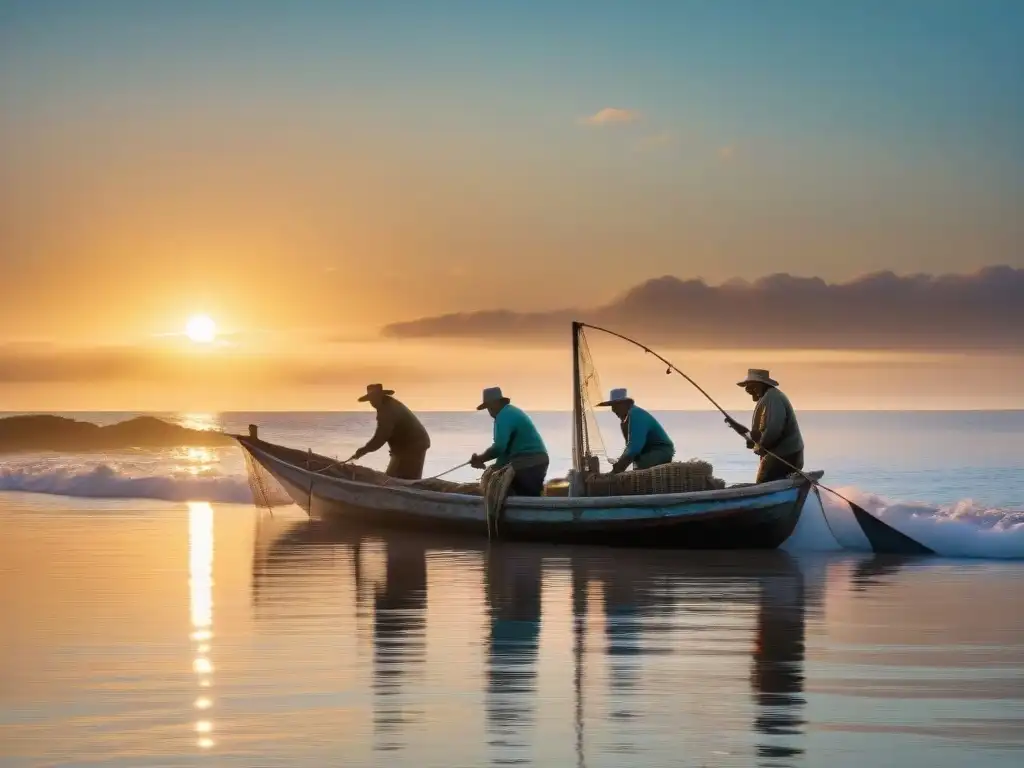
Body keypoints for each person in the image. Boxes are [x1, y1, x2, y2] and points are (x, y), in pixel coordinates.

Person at [725, 369, 805, 483]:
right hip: (785, 454)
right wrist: (734, 425)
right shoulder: (767, 398)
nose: (749, 392)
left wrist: (761, 446)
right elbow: (754, 436)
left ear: (759, 385)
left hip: (785, 455)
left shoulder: (773, 397)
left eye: (751, 388)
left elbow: (773, 430)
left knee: (762, 482)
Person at [469, 387, 549, 496]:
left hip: (528, 462)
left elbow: (499, 447)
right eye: (487, 408)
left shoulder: (503, 416)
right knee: (528, 495)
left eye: (490, 406)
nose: (489, 410)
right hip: (538, 460)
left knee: (505, 491)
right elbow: (504, 453)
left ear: (497, 403)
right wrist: (494, 466)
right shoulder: (510, 412)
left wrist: (481, 459)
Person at [350, 383, 431, 479]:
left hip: (414, 445)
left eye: (374, 398)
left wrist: (364, 450)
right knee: (395, 477)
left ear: (381, 396)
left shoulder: (387, 410)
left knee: (402, 479)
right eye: (370, 399)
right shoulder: (387, 405)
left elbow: (381, 437)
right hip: (406, 446)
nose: (372, 402)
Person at [597, 387, 675, 474]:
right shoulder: (626, 421)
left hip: (660, 452)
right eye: (612, 406)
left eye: (616, 406)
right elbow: (630, 447)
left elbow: (634, 447)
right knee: (635, 463)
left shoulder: (636, 415)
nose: (613, 410)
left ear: (626, 404)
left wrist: (617, 469)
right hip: (646, 452)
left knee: (639, 469)